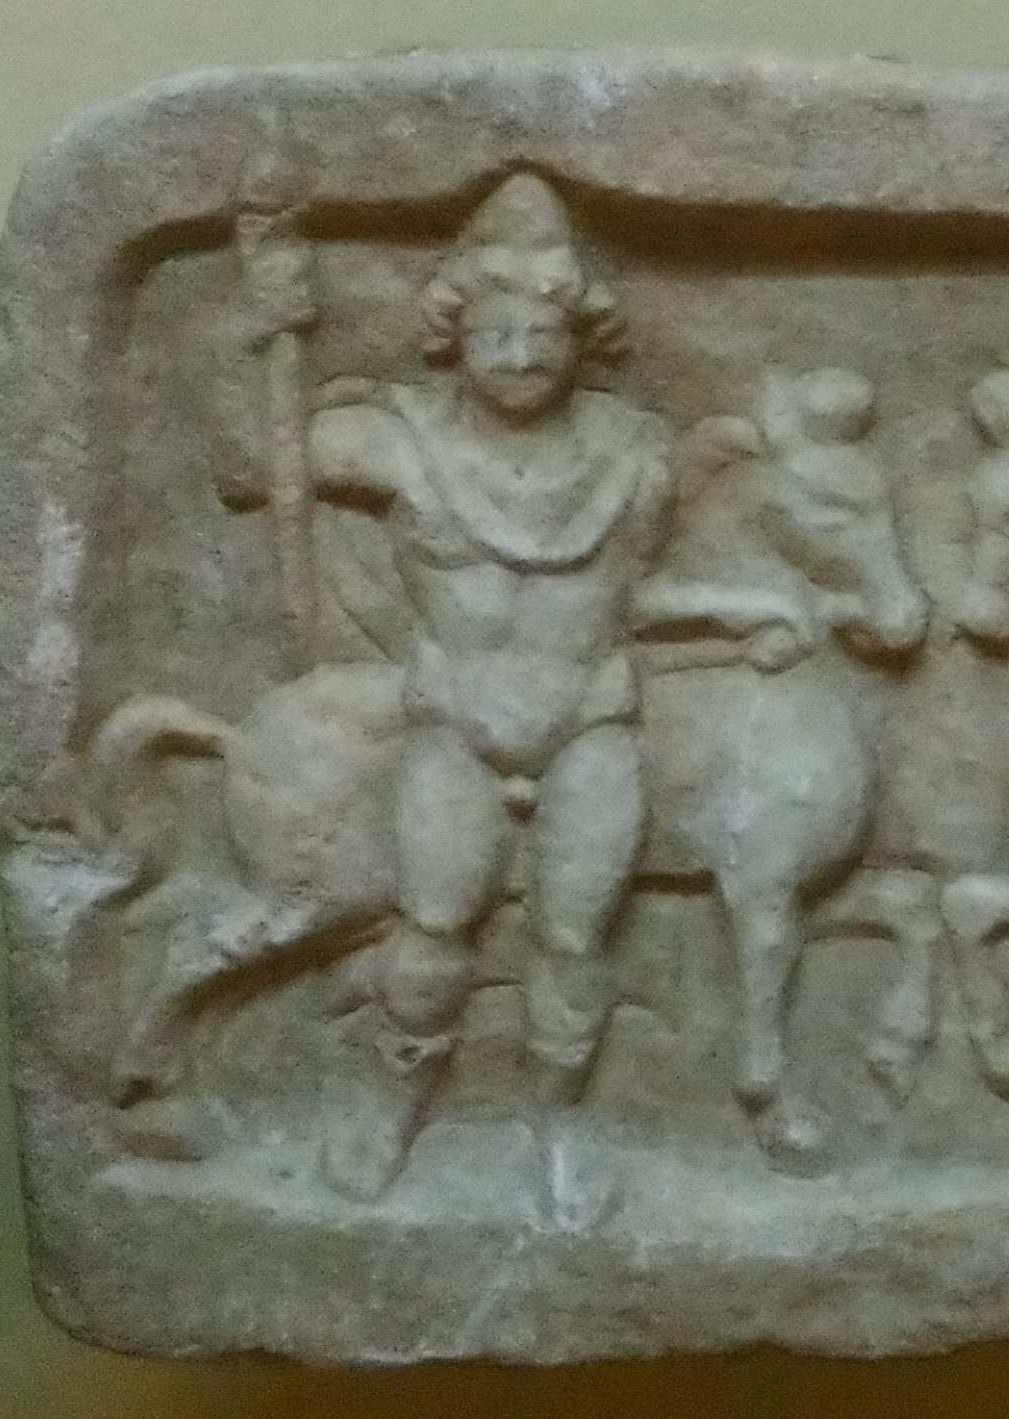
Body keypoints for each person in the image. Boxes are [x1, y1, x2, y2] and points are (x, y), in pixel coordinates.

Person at [277, 172, 671, 1210]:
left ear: (582, 342)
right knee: (435, 927)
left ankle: (562, 1118)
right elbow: (252, 469)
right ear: (454, 339)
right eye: (496, 333)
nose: (521, 356)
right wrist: (260, 333)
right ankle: (394, 1094)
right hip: (455, 722)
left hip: (588, 722)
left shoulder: (636, 451)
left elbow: (651, 589)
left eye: (545, 335)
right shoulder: (397, 438)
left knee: (576, 936)